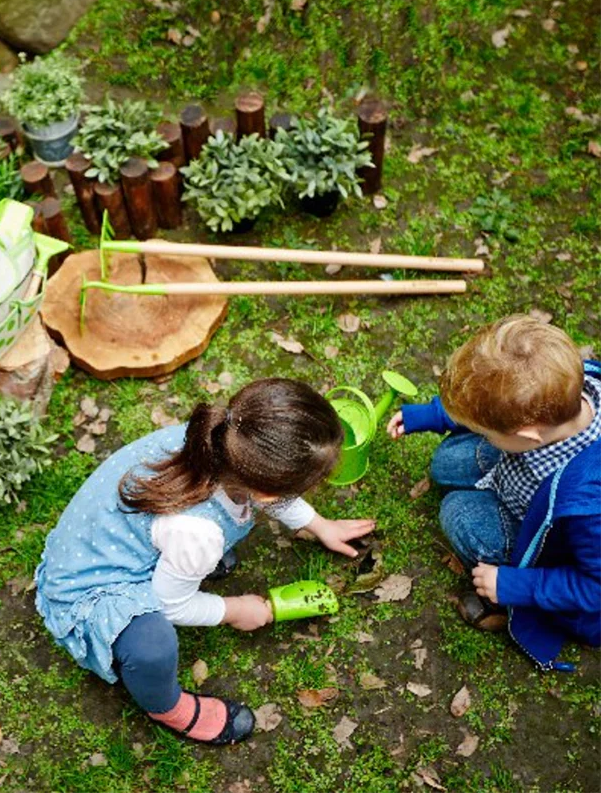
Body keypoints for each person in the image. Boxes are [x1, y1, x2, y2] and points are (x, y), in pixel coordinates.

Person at [35, 378, 375, 744]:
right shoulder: (199, 533)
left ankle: (180, 565)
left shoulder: (221, 439)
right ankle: (166, 707)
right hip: (87, 590)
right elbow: (171, 604)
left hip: (105, 537)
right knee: (151, 646)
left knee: (191, 554)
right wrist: (236, 609)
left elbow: (272, 493)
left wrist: (320, 526)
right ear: (265, 490)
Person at [387, 315, 601, 671]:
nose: (480, 434)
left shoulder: (589, 508)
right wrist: (433, 415)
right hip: (521, 471)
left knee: (456, 511)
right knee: (445, 462)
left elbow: (595, 588)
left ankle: (502, 596)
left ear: (527, 435)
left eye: (485, 432)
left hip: (545, 538)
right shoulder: (574, 387)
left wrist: (515, 585)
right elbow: (488, 402)